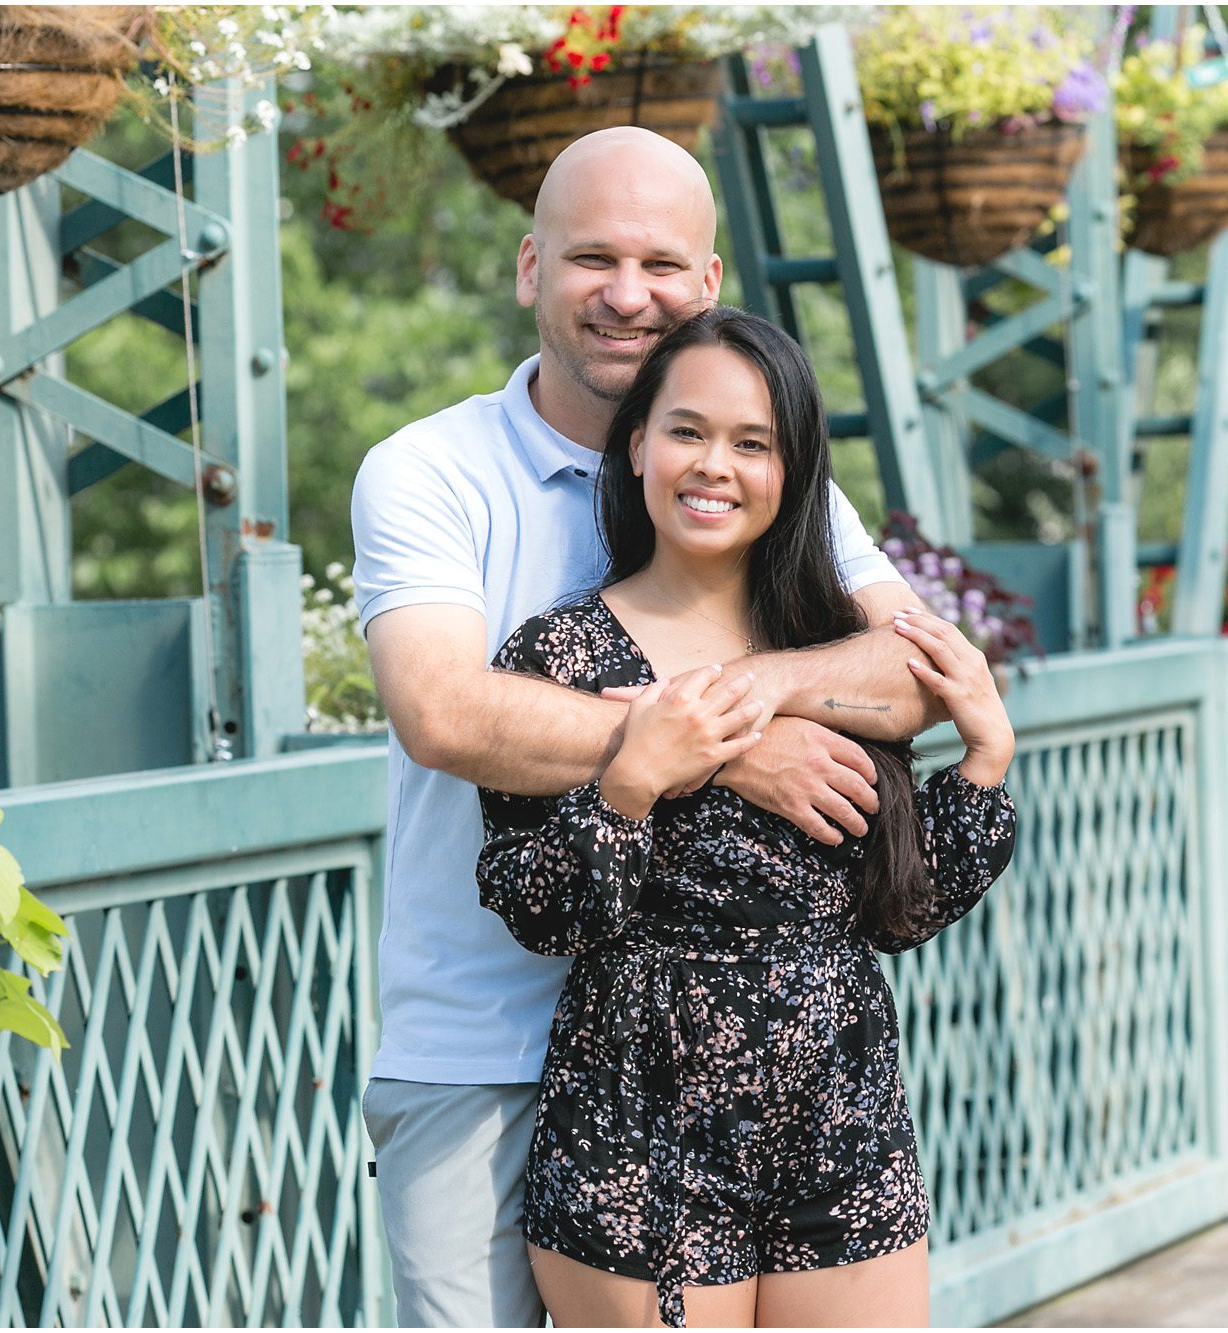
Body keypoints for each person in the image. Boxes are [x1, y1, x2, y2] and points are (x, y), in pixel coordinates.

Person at [349, 127, 947, 1327]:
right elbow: (441, 709)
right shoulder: (428, 471)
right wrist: (731, 754)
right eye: (591, 259)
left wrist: (740, 705)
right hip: (486, 1039)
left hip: (724, 1070)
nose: (629, 295)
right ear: (529, 269)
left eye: (662, 265)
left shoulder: (752, 467)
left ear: (710, 285)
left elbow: (920, 674)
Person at [476, 306, 1018, 1328]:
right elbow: (535, 908)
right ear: (636, 444)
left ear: (793, 470)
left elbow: (893, 908)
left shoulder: (829, 652)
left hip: (839, 1117)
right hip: (640, 1131)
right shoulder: (562, 658)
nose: (712, 465)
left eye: (752, 443)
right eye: (686, 430)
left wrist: (983, 764)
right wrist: (632, 783)